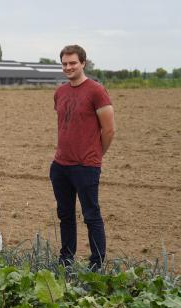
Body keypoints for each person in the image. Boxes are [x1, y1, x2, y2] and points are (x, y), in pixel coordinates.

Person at [50, 45, 115, 270]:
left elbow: (109, 130)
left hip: (86, 166)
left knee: (91, 215)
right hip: (60, 165)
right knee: (65, 215)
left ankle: (96, 264)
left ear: (83, 63)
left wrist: (95, 155)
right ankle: (66, 259)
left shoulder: (96, 91)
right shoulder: (60, 92)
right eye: (65, 63)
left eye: (73, 63)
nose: (68, 67)